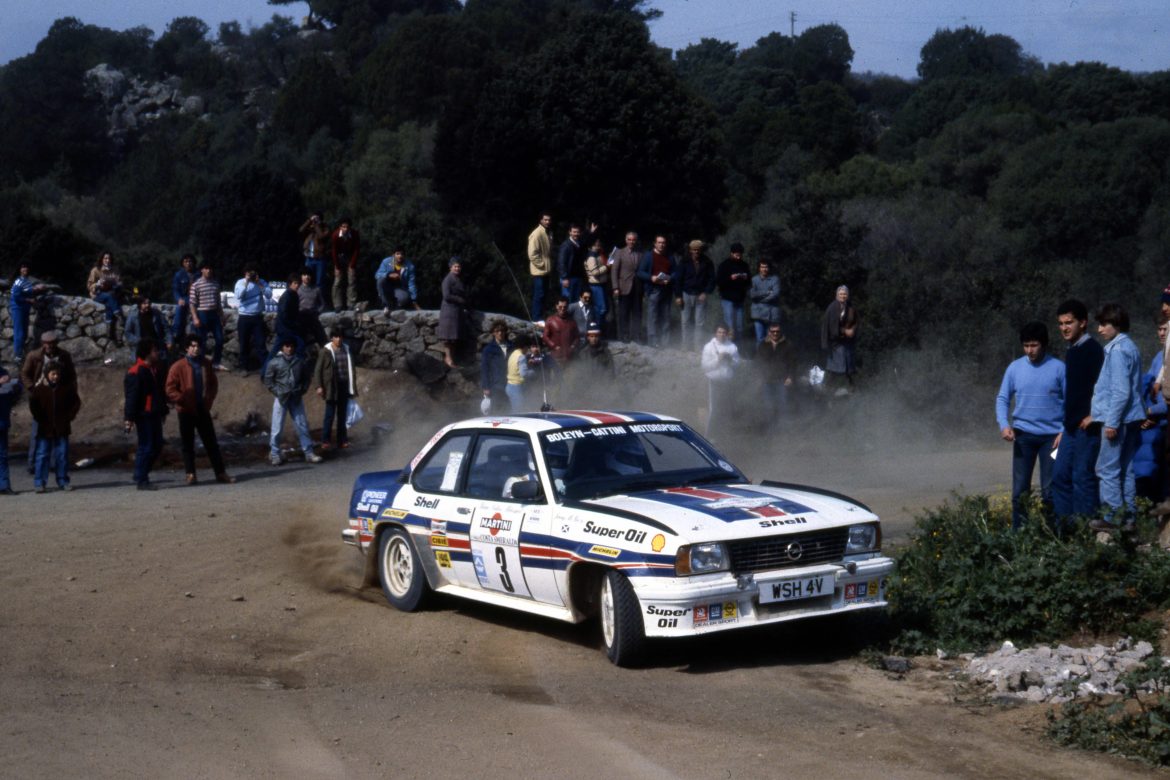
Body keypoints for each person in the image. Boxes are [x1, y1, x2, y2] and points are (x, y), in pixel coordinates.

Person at [995, 322, 1065, 530]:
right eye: (1026, 345)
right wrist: (1004, 425)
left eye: (1034, 345)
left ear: (1043, 344)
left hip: (1053, 439)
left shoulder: (1059, 368)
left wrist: (1064, 430)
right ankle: (1020, 535)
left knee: (1050, 490)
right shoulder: (1014, 368)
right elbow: (1002, 398)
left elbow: (1071, 402)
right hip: (1023, 436)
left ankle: (1053, 535)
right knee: (1019, 491)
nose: (1029, 350)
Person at [1089, 304, 1145, 531]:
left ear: (1117, 324)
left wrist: (1111, 422)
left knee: (1106, 468)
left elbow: (1121, 391)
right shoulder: (1130, 346)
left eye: (1104, 324)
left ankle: (1112, 517)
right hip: (1131, 417)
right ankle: (1129, 519)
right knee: (1125, 468)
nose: (1100, 329)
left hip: (1118, 419)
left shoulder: (1118, 350)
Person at [1049, 299, 1105, 525]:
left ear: (1083, 322)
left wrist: (1095, 415)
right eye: (1061, 323)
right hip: (1070, 428)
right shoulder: (1071, 351)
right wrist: (1064, 427)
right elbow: (1072, 395)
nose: (1064, 328)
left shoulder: (1094, 351)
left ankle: (1086, 530)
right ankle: (1065, 531)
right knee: (1060, 476)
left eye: (1069, 322)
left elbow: (1105, 388)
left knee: (1082, 477)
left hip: (1088, 427)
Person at [165, 335, 234, 485]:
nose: (196, 349)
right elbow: (170, 389)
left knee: (211, 443)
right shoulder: (178, 366)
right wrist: (182, 399)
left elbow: (213, 383)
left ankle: (220, 473)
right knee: (187, 444)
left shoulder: (205, 364)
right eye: (193, 346)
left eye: (198, 346)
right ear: (187, 348)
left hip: (202, 408)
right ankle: (190, 474)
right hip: (185, 410)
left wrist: (209, 399)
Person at [21, 331, 76, 476]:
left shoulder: (64, 356)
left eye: (52, 343)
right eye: (47, 343)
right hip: (41, 397)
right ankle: (33, 464)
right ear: (42, 344)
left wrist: (69, 393)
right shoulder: (33, 356)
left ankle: (54, 464)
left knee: (57, 431)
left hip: (58, 396)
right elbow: (25, 374)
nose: (49, 346)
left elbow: (71, 375)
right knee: (37, 432)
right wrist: (32, 388)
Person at [264, 336, 322, 466]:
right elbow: (268, 380)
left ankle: (308, 452)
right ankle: (275, 454)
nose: (289, 349)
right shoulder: (274, 362)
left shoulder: (300, 362)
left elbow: (306, 378)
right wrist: (278, 392)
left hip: (296, 398)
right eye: (287, 346)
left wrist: (302, 390)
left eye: (291, 346)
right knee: (277, 427)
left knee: (302, 425)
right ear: (282, 347)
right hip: (281, 398)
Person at [28, 359, 80, 493]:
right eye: (53, 374)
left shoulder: (66, 388)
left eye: (57, 374)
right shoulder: (39, 390)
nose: (55, 377)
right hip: (44, 428)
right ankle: (40, 482)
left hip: (62, 428)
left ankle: (63, 480)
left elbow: (76, 403)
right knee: (42, 455)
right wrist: (40, 418)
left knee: (62, 455)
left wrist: (69, 417)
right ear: (47, 374)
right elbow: (33, 406)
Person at [123, 339, 168, 490]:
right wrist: (129, 418)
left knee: (157, 445)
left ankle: (140, 474)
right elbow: (132, 397)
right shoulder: (136, 372)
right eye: (154, 350)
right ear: (147, 353)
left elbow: (159, 393)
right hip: (144, 414)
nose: (157, 353)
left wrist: (163, 410)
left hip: (154, 412)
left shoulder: (153, 369)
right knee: (147, 446)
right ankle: (142, 479)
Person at [1136, 313, 1168, 503]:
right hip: (1156, 427)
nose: (1162, 333)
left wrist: (1150, 412)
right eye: (1159, 329)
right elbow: (1148, 391)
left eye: (1166, 329)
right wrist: (1146, 412)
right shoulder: (1158, 357)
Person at [315, 328, 358, 450]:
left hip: (344, 385)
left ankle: (342, 440)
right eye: (336, 337)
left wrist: (352, 387)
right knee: (329, 414)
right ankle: (325, 440)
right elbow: (318, 370)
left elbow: (351, 369)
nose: (338, 339)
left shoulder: (346, 349)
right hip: (331, 387)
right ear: (332, 338)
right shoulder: (325, 351)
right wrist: (319, 386)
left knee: (342, 415)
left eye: (340, 337)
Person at [701, 323, 739, 439]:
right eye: (719, 332)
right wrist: (718, 359)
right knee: (714, 409)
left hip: (727, 382)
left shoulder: (732, 347)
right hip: (714, 382)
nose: (722, 334)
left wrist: (730, 360)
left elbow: (737, 364)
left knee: (726, 408)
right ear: (715, 333)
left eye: (724, 332)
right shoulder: (709, 347)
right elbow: (704, 366)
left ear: (727, 334)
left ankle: (724, 436)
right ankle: (709, 436)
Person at [675, 239, 715, 351]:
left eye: (698, 249)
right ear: (690, 250)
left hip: (700, 294)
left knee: (700, 323)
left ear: (701, 250)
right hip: (686, 293)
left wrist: (706, 292)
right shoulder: (684, 261)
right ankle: (685, 345)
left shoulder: (707, 262)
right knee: (685, 321)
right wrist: (678, 296)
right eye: (694, 249)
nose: (696, 252)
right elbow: (678, 279)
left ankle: (698, 346)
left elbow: (712, 279)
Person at [637, 235, 675, 348]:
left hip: (666, 289)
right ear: (655, 243)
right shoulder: (648, 256)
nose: (661, 245)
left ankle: (665, 342)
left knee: (666, 316)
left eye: (663, 243)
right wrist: (651, 278)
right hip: (653, 289)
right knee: (652, 316)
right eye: (659, 242)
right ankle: (652, 342)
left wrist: (670, 278)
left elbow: (675, 271)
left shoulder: (670, 256)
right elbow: (640, 272)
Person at [233, 266, 272, 374]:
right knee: (244, 343)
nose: (252, 275)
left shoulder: (261, 282)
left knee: (261, 343)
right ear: (245, 273)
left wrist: (259, 283)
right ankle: (243, 367)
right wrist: (246, 282)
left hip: (257, 317)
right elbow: (238, 296)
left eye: (253, 272)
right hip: (244, 317)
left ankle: (266, 368)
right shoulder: (240, 282)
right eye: (249, 272)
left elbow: (269, 295)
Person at [757, 322, 797, 426]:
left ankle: (783, 430)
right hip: (767, 380)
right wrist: (759, 377)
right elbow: (758, 363)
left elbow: (793, 363)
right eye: (773, 331)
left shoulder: (788, 345)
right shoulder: (763, 345)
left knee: (783, 405)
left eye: (777, 331)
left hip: (782, 381)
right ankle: (770, 429)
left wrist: (790, 377)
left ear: (780, 332)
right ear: (769, 332)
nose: (775, 333)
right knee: (768, 406)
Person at [822, 285, 859, 392]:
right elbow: (832, 326)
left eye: (845, 294)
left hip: (847, 342)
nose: (843, 296)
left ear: (848, 295)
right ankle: (827, 387)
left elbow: (856, 321)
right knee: (835, 367)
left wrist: (852, 330)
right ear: (837, 295)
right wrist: (845, 331)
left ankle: (852, 388)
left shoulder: (850, 307)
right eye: (841, 294)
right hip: (835, 342)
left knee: (848, 366)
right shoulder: (832, 307)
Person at [188, 263, 224, 370]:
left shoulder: (216, 284)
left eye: (210, 268)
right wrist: (195, 318)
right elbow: (192, 303)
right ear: (202, 270)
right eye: (206, 268)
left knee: (220, 339)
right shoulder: (196, 285)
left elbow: (218, 302)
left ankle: (216, 362)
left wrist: (222, 316)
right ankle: (201, 363)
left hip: (214, 314)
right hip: (202, 313)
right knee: (201, 341)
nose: (208, 270)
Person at [9, 261, 47, 363]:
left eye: (26, 267)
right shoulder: (19, 281)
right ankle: (18, 357)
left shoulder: (27, 281)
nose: (25, 269)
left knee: (24, 333)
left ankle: (23, 354)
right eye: (23, 267)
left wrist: (36, 289)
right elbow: (16, 297)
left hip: (24, 309)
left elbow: (27, 291)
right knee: (19, 333)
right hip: (18, 309)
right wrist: (29, 300)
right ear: (20, 270)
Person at [610, 231, 642, 342]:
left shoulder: (640, 253)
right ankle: (624, 335)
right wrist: (615, 287)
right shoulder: (620, 252)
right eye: (629, 239)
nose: (631, 242)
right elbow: (614, 271)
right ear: (626, 240)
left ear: (636, 241)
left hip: (637, 286)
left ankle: (636, 336)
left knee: (637, 312)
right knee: (624, 313)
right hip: (623, 287)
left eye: (633, 240)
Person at [87, 251, 124, 345]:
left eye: (109, 258)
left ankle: (109, 333)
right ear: (102, 259)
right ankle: (119, 315)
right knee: (109, 297)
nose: (107, 260)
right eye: (105, 258)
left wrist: (116, 284)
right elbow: (89, 285)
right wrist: (98, 284)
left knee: (109, 303)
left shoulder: (115, 270)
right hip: (98, 294)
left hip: (111, 293)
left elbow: (120, 282)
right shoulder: (96, 270)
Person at [716, 242, 751, 342]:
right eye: (736, 254)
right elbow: (719, 282)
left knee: (739, 326)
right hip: (727, 299)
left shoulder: (744, 265)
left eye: (740, 254)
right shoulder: (724, 265)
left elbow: (749, 282)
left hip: (739, 299)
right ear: (731, 253)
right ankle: (728, 345)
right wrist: (730, 278)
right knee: (729, 325)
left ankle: (738, 347)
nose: (738, 257)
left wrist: (745, 278)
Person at [438, 257, 468, 368]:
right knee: (448, 337)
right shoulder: (448, 280)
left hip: (457, 311)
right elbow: (446, 296)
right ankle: (448, 358)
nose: (457, 268)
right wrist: (459, 299)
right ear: (450, 267)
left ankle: (452, 359)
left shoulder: (458, 279)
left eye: (459, 266)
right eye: (455, 266)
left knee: (454, 337)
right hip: (449, 311)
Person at [480, 319, 512, 413]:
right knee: (497, 410)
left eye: (502, 330)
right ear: (493, 333)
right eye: (497, 331)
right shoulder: (488, 349)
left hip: (511, 383)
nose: (500, 333)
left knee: (511, 409)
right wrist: (486, 386)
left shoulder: (511, 346)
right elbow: (485, 369)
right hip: (496, 385)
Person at [125, 297, 169, 362]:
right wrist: (137, 341)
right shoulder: (133, 316)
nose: (147, 305)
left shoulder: (156, 313)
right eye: (144, 303)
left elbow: (166, 328)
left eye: (149, 303)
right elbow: (128, 332)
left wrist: (169, 341)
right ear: (140, 304)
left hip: (156, 345)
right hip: (141, 347)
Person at [375, 249, 419, 313]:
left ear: (404, 256)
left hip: (400, 288)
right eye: (397, 254)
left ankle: (395, 306)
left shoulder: (410, 266)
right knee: (380, 280)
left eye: (402, 254)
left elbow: (411, 284)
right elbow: (377, 275)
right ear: (393, 255)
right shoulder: (386, 262)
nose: (400, 256)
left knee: (403, 298)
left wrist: (414, 299)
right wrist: (388, 275)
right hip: (387, 287)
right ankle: (385, 305)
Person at [527, 212, 553, 321]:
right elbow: (532, 254)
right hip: (539, 270)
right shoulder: (537, 233)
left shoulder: (548, 232)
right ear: (541, 220)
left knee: (544, 295)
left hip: (546, 270)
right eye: (545, 220)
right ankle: (536, 318)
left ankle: (541, 317)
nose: (547, 222)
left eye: (549, 220)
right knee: (539, 294)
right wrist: (542, 264)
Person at [0, 361, 21, 495]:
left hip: (2, 421)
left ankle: (4, 485)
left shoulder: (3, 373)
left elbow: (15, 392)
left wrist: (16, 387)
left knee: (2, 455)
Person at [331, 216, 360, 310]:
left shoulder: (354, 234)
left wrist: (352, 264)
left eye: (347, 227)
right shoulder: (335, 235)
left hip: (350, 257)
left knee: (351, 280)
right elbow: (334, 251)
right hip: (339, 258)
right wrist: (337, 266)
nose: (345, 229)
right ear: (340, 227)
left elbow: (356, 250)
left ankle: (351, 304)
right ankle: (337, 305)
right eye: (343, 227)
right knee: (337, 281)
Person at [749, 259, 780, 345]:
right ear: (759, 268)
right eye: (762, 267)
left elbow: (775, 294)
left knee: (771, 339)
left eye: (766, 267)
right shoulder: (754, 279)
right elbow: (752, 295)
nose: (764, 269)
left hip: (771, 314)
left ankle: (770, 354)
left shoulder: (775, 279)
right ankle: (759, 354)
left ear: (769, 268)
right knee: (760, 339)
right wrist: (767, 292)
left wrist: (760, 299)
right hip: (758, 313)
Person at [169, 254, 196, 349]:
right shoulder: (179, 275)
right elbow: (175, 289)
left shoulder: (198, 274)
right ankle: (176, 334)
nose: (188, 263)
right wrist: (179, 299)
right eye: (186, 261)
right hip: (184, 298)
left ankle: (193, 337)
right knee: (180, 309)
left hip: (196, 299)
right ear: (183, 263)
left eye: (190, 261)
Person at [300, 212, 330, 292]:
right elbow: (301, 230)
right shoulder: (310, 229)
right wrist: (309, 220)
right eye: (314, 218)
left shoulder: (325, 228)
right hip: (309, 258)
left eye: (316, 219)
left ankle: (319, 298)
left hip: (320, 259)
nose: (314, 221)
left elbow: (321, 236)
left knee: (319, 282)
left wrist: (317, 225)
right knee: (307, 280)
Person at [542, 297, 579, 364]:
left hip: (570, 357)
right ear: (556, 306)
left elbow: (577, 336)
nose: (562, 309)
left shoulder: (572, 321)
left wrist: (573, 346)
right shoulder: (550, 320)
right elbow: (545, 337)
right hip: (556, 357)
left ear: (567, 307)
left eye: (565, 307)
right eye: (560, 307)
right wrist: (554, 346)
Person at [297, 267, 327, 347]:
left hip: (313, 315)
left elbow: (322, 304)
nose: (307, 277)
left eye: (308, 275)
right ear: (301, 276)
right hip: (301, 315)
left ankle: (325, 349)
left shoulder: (316, 289)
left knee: (321, 336)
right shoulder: (297, 289)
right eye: (304, 275)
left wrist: (318, 311)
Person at [558, 224, 587, 303]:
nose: (576, 234)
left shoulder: (579, 244)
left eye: (578, 232)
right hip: (568, 278)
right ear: (570, 232)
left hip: (578, 277)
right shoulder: (566, 245)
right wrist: (564, 277)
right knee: (568, 301)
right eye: (574, 232)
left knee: (577, 301)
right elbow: (561, 262)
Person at [584, 239, 609, 329]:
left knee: (603, 308)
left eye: (599, 245)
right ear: (591, 246)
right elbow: (594, 272)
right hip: (596, 285)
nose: (598, 247)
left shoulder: (597, 255)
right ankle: (597, 329)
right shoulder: (591, 257)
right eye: (596, 245)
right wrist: (606, 267)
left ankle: (600, 329)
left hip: (601, 284)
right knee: (600, 309)